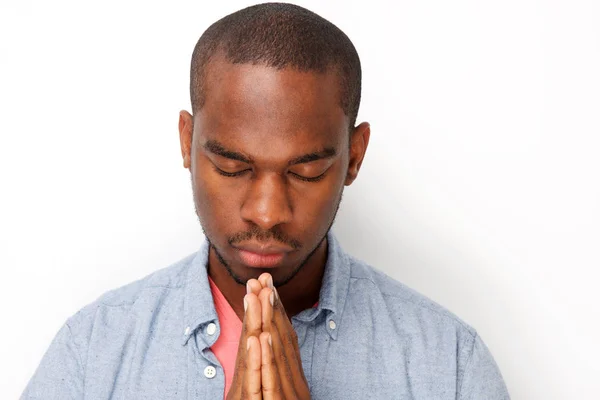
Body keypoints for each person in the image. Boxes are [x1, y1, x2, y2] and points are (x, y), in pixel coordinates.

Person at [21, 2, 510, 399]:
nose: (267, 212)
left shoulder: (450, 366)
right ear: (187, 143)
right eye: (233, 168)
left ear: (354, 157)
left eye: (306, 171)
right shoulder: (91, 352)